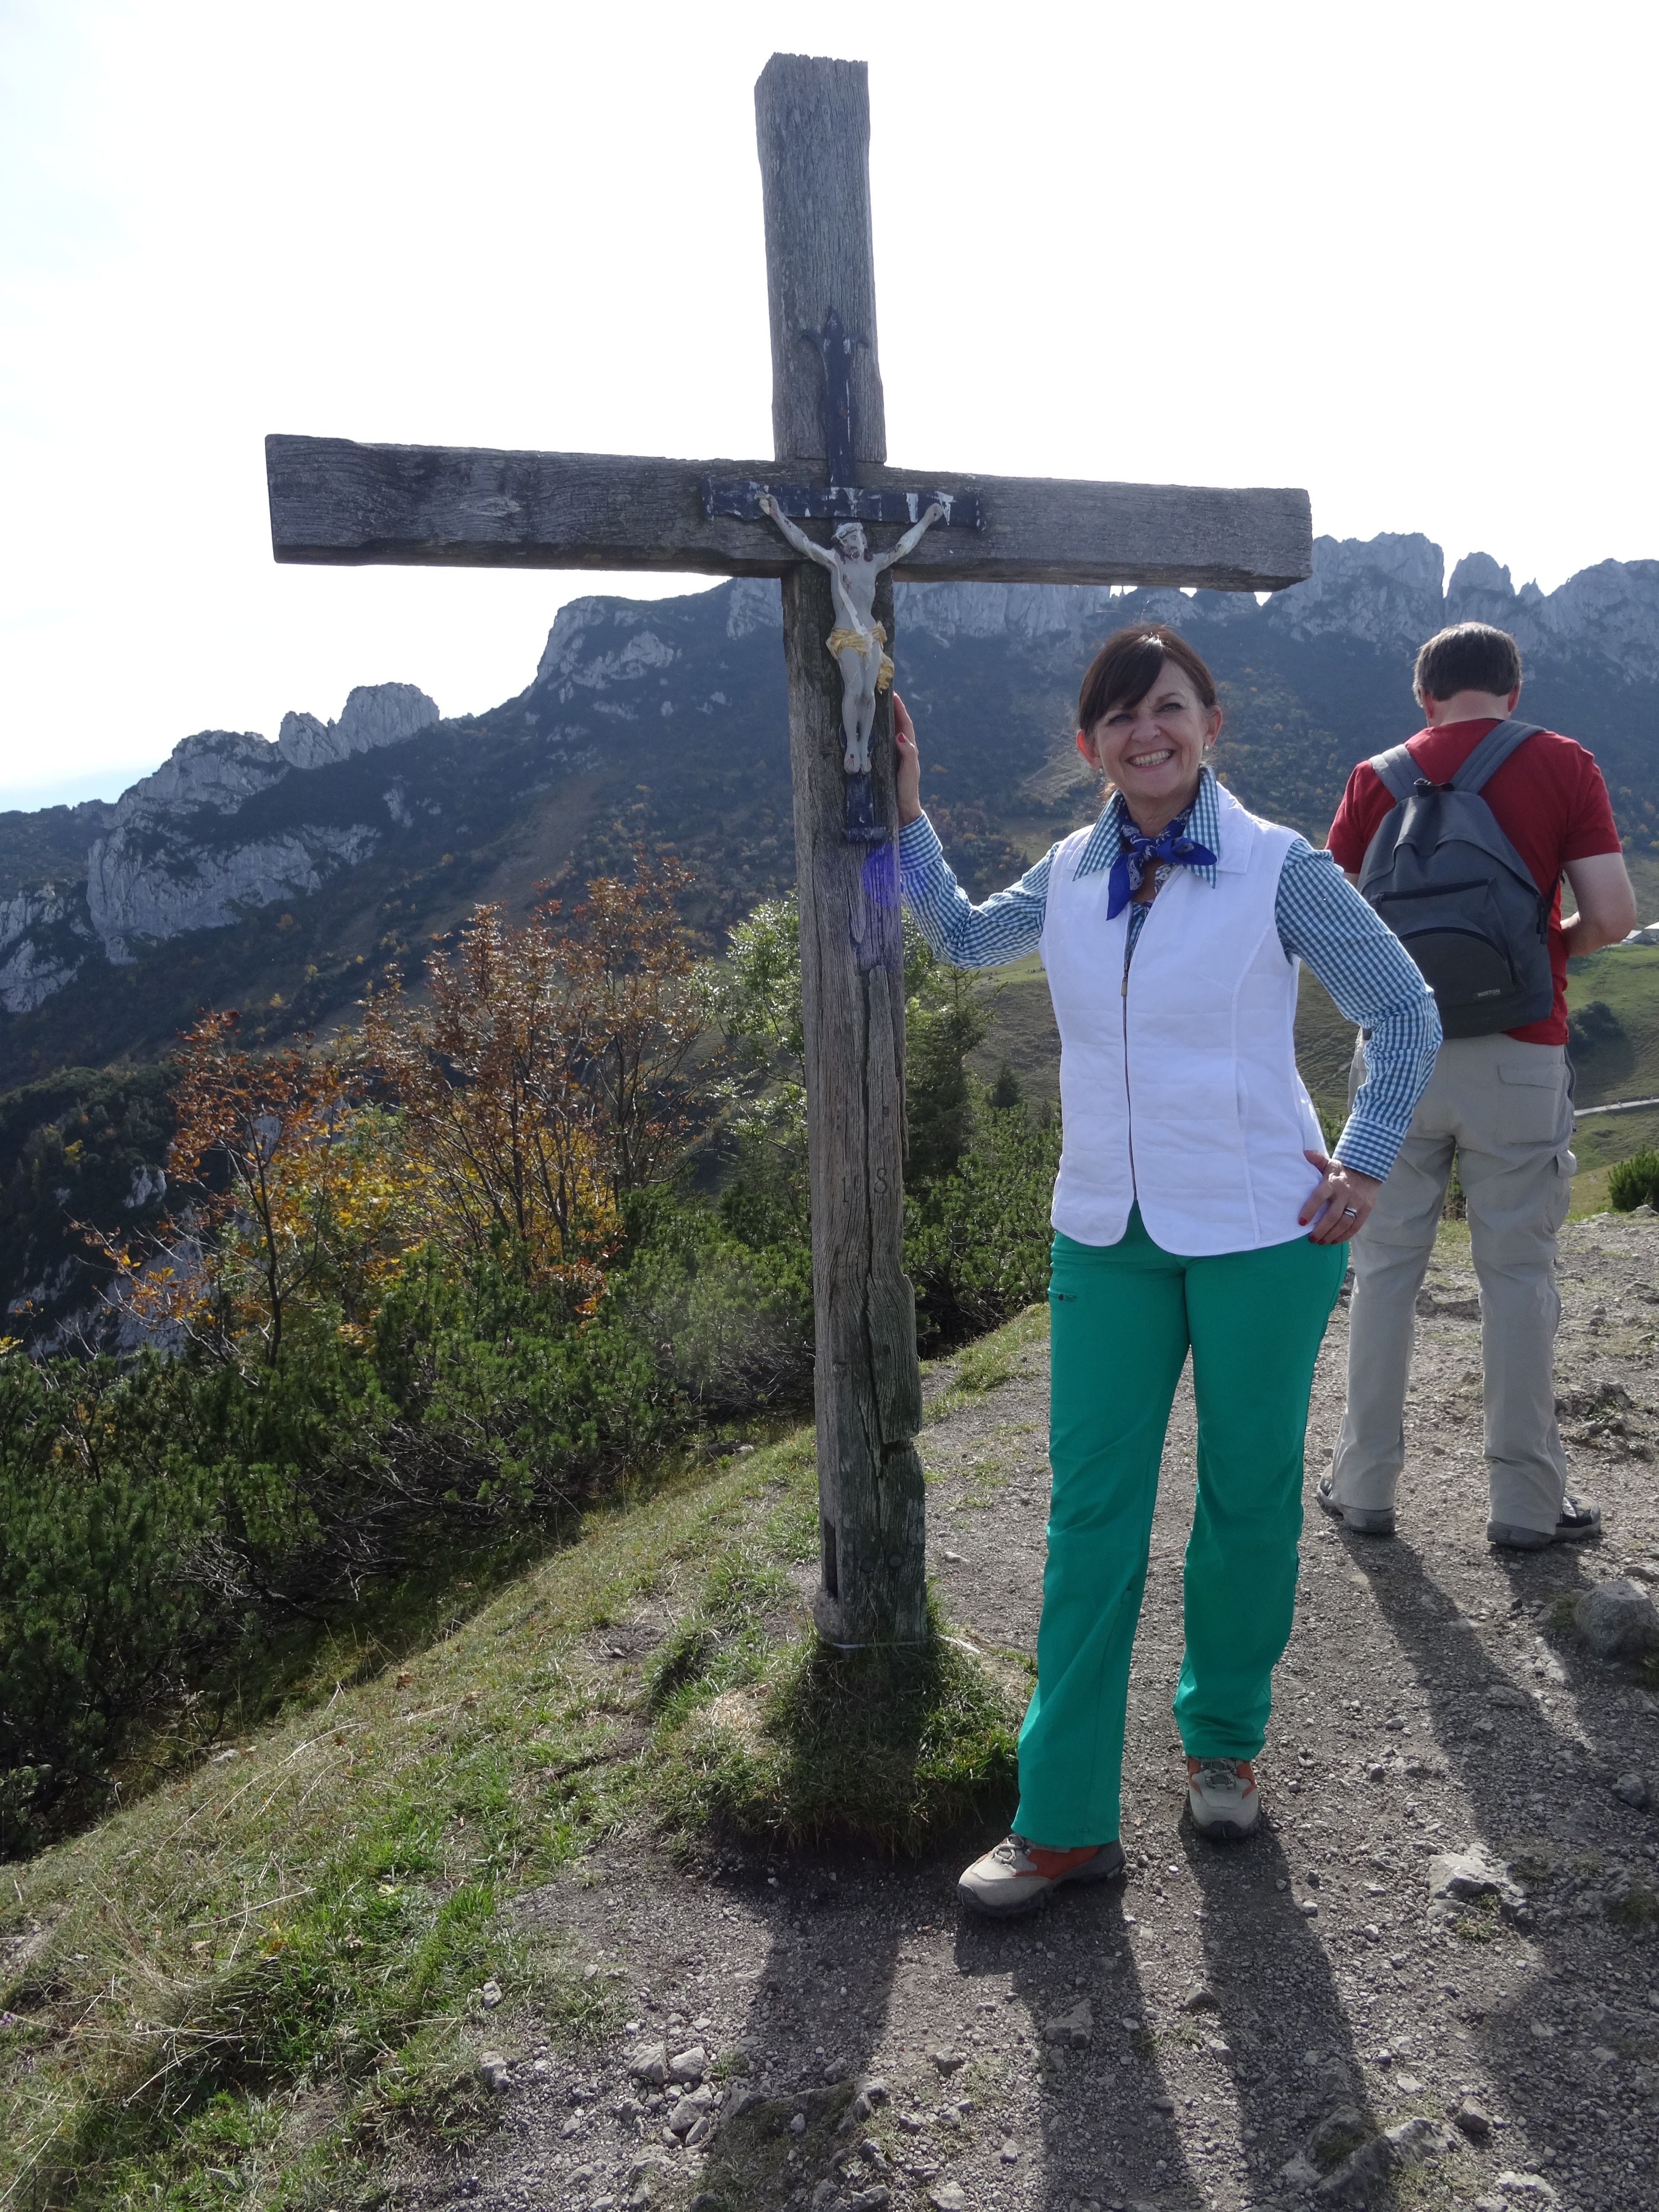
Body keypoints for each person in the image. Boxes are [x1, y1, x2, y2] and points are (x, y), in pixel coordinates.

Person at [894, 624, 1441, 1918]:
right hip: (1105, 1235)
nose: (1150, 732)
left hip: (1266, 1232)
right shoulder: (1076, 866)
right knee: (1091, 1526)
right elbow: (968, 943)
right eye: (1123, 716)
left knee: (1248, 1504)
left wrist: (1362, 1158)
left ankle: (1222, 1745)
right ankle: (1064, 1820)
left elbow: (1402, 1009)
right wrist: (908, 819)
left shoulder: (1277, 868)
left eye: (1173, 708)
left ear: (1213, 724)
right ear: (1091, 744)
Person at [1319, 621, 1636, 1550]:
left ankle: (1365, 1484)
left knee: (1382, 1274)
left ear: (1425, 698)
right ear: (1514, 691)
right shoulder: (1562, 763)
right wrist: (1542, 953)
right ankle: (1526, 1505)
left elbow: (1332, 921)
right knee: (1519, 1277)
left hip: (1395, 1059)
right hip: (1519, 1051)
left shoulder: (1375, 777)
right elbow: (1614, 915)